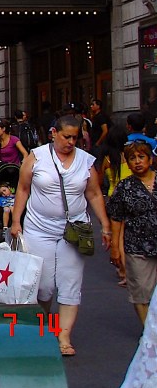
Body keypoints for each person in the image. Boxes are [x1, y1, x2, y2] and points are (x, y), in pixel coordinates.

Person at [9, 114, 112, 357]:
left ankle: (63, 336)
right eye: (66, 137)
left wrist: (105, 225)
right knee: (43, 286)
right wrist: (15, 221)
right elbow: (22, 190)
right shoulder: (36, 157)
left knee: (70, 282)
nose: (70, 142)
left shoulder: (86, 161)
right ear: (53, 133)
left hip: (74, 231)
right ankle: (43, 325)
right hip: (38, 228)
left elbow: (95, 194)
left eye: (75, 138)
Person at [107, 140, 157, 325]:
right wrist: (115, 248)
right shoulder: (124, 187)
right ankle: (149, 332)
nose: (137, 161)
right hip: (137, 245)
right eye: (132, 158)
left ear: (150, 159)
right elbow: (116, 218)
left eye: (141, 157)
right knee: (141, 291)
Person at [0, 119, 30, 186]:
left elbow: (25, 153)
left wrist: (23, 163)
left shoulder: (14, 139)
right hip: (2, 170)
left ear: (3, 129)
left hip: (15, 170)